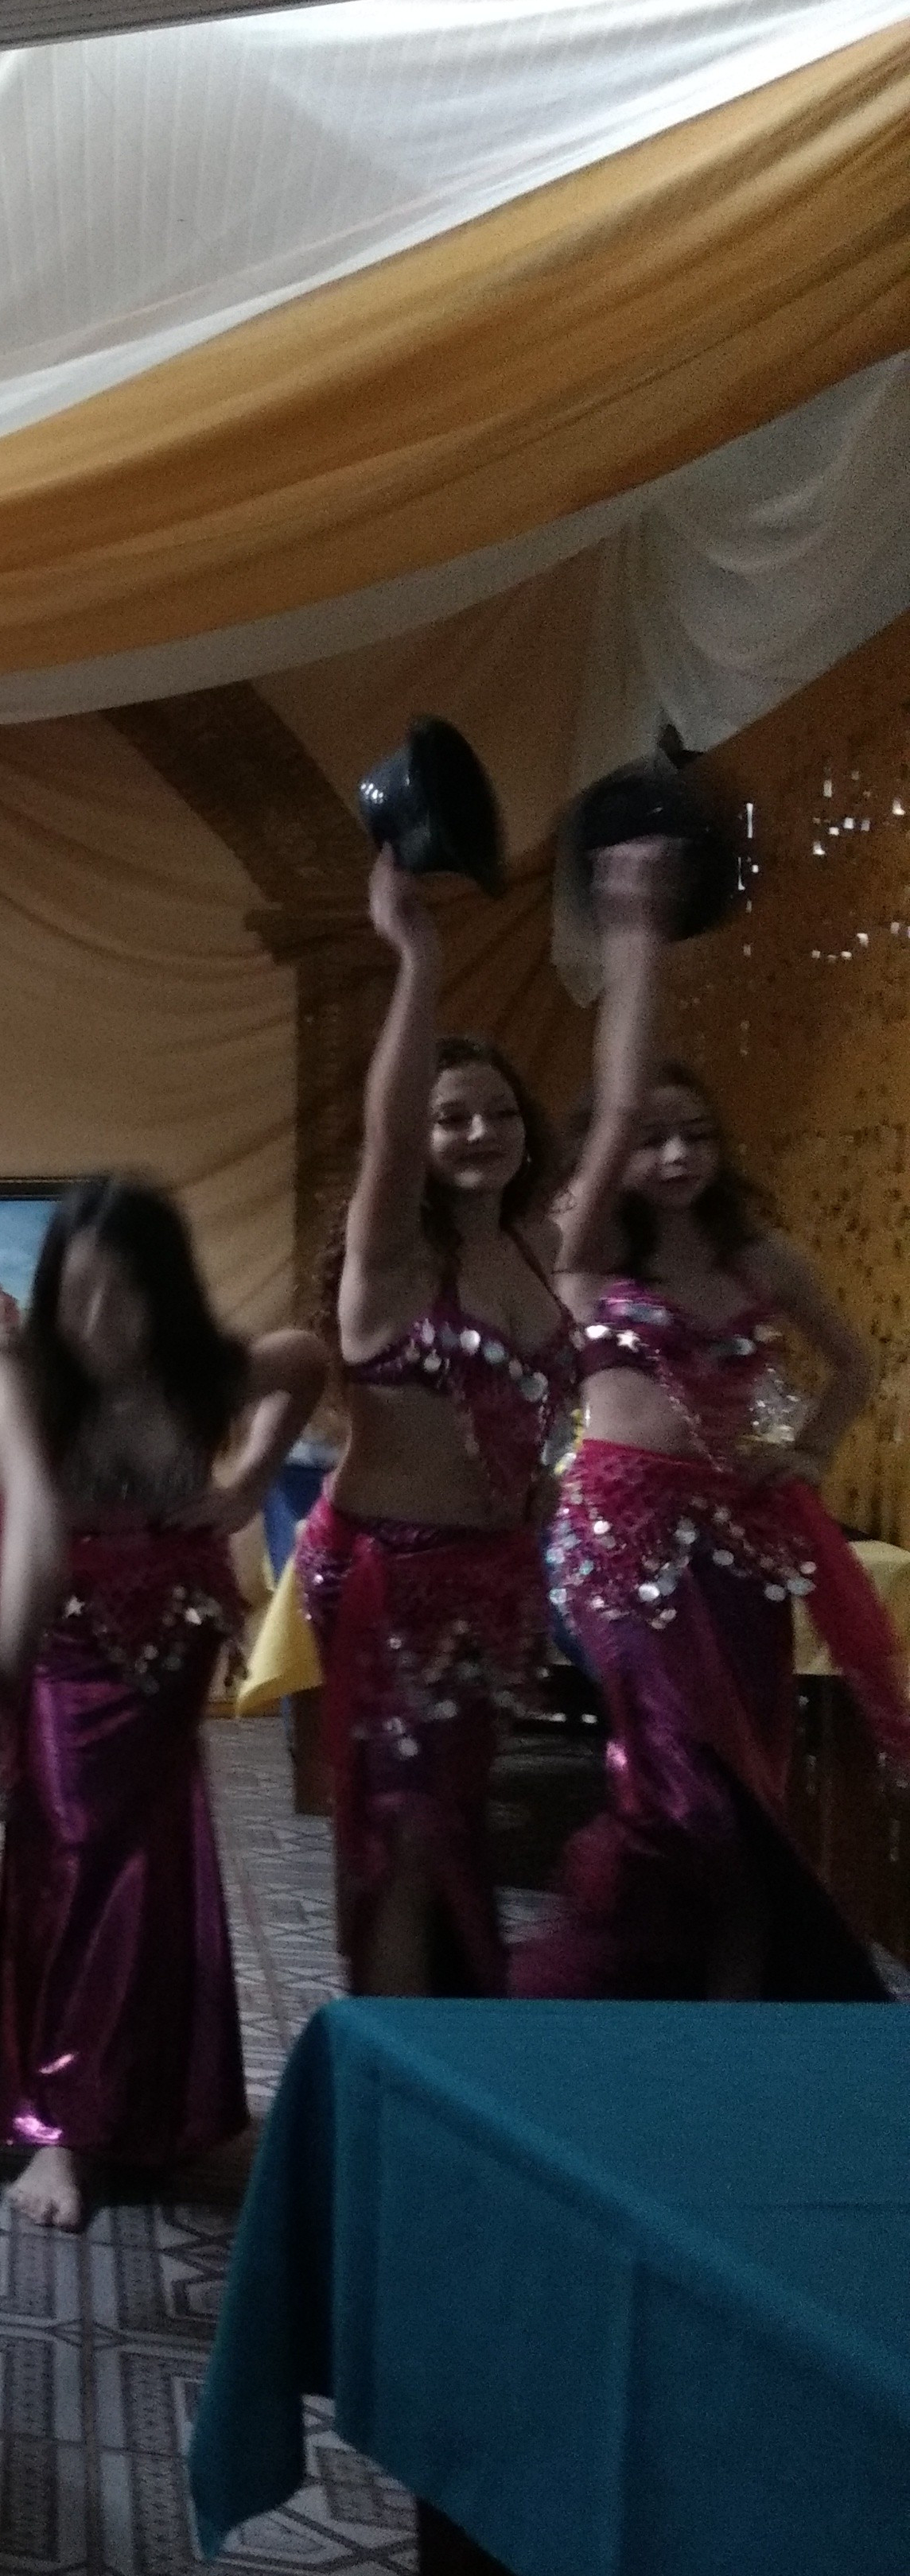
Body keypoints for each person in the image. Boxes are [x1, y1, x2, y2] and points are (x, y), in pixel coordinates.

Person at [519, 839, 907, 2000]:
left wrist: (811, 1451)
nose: (678, 1154)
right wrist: (637, 938)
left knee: (751, 1778)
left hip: (742, 1541)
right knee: (678, 1782)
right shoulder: (588, 1255)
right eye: (653, 1139)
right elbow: (618, 1103)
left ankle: (736, 2004)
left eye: (698, 1136)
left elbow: (855, 1363)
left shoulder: (762, 1259)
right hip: (619, 1541)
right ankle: (621, 1988)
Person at [0, 1176, 324, 2229]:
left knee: (151, 1858)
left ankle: (147, 2102)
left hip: (170, 1635)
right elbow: (34, 1520)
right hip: (61, 1628)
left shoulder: (203, 1369)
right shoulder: (21, 1378)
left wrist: (250, 1480)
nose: (99, 1318)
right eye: (77, 1291)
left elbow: (306, 1360)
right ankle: (61, 2128)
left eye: (125, 1292)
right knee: (75, 1852)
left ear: (165, 1293)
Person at [294, 850, 573, 1997]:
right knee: (404, 1832)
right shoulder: (393, 1259)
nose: (479, 1132)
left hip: (494, 1575)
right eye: (454, 1117)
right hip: (387, 1575)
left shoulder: (538, 1249)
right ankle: (395, 2059)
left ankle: (447, 2025)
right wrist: (417, 958)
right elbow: (391, 1138)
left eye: (500, 1113)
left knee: (455, 1818)